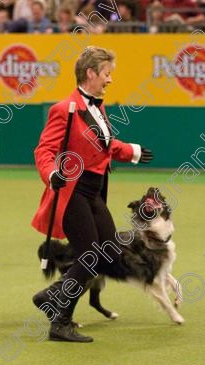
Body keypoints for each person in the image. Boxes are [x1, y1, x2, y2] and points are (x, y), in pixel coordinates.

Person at [31, 46, 153, 343]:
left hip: (94, 192)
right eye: (107, 74)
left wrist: (132, 151)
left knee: (107, 252)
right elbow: (44, 151)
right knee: (89, 257)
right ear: (91, 73)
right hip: (72, 191)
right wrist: (52, 174)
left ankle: (52, 295)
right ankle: (60, 321)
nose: (110, 80)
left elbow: (106, 146)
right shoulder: (64, 109)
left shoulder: (97, 107)